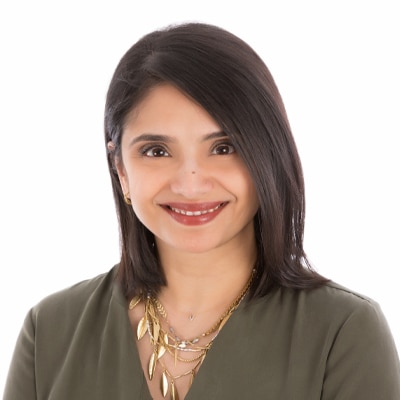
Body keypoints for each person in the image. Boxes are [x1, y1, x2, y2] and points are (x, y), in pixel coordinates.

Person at [3, 22, 400, 400]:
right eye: (156, 151)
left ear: (268, 156)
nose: (190, 183)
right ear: (120, 169)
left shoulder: (343, 333)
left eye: (223, 147)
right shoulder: (50, 332)